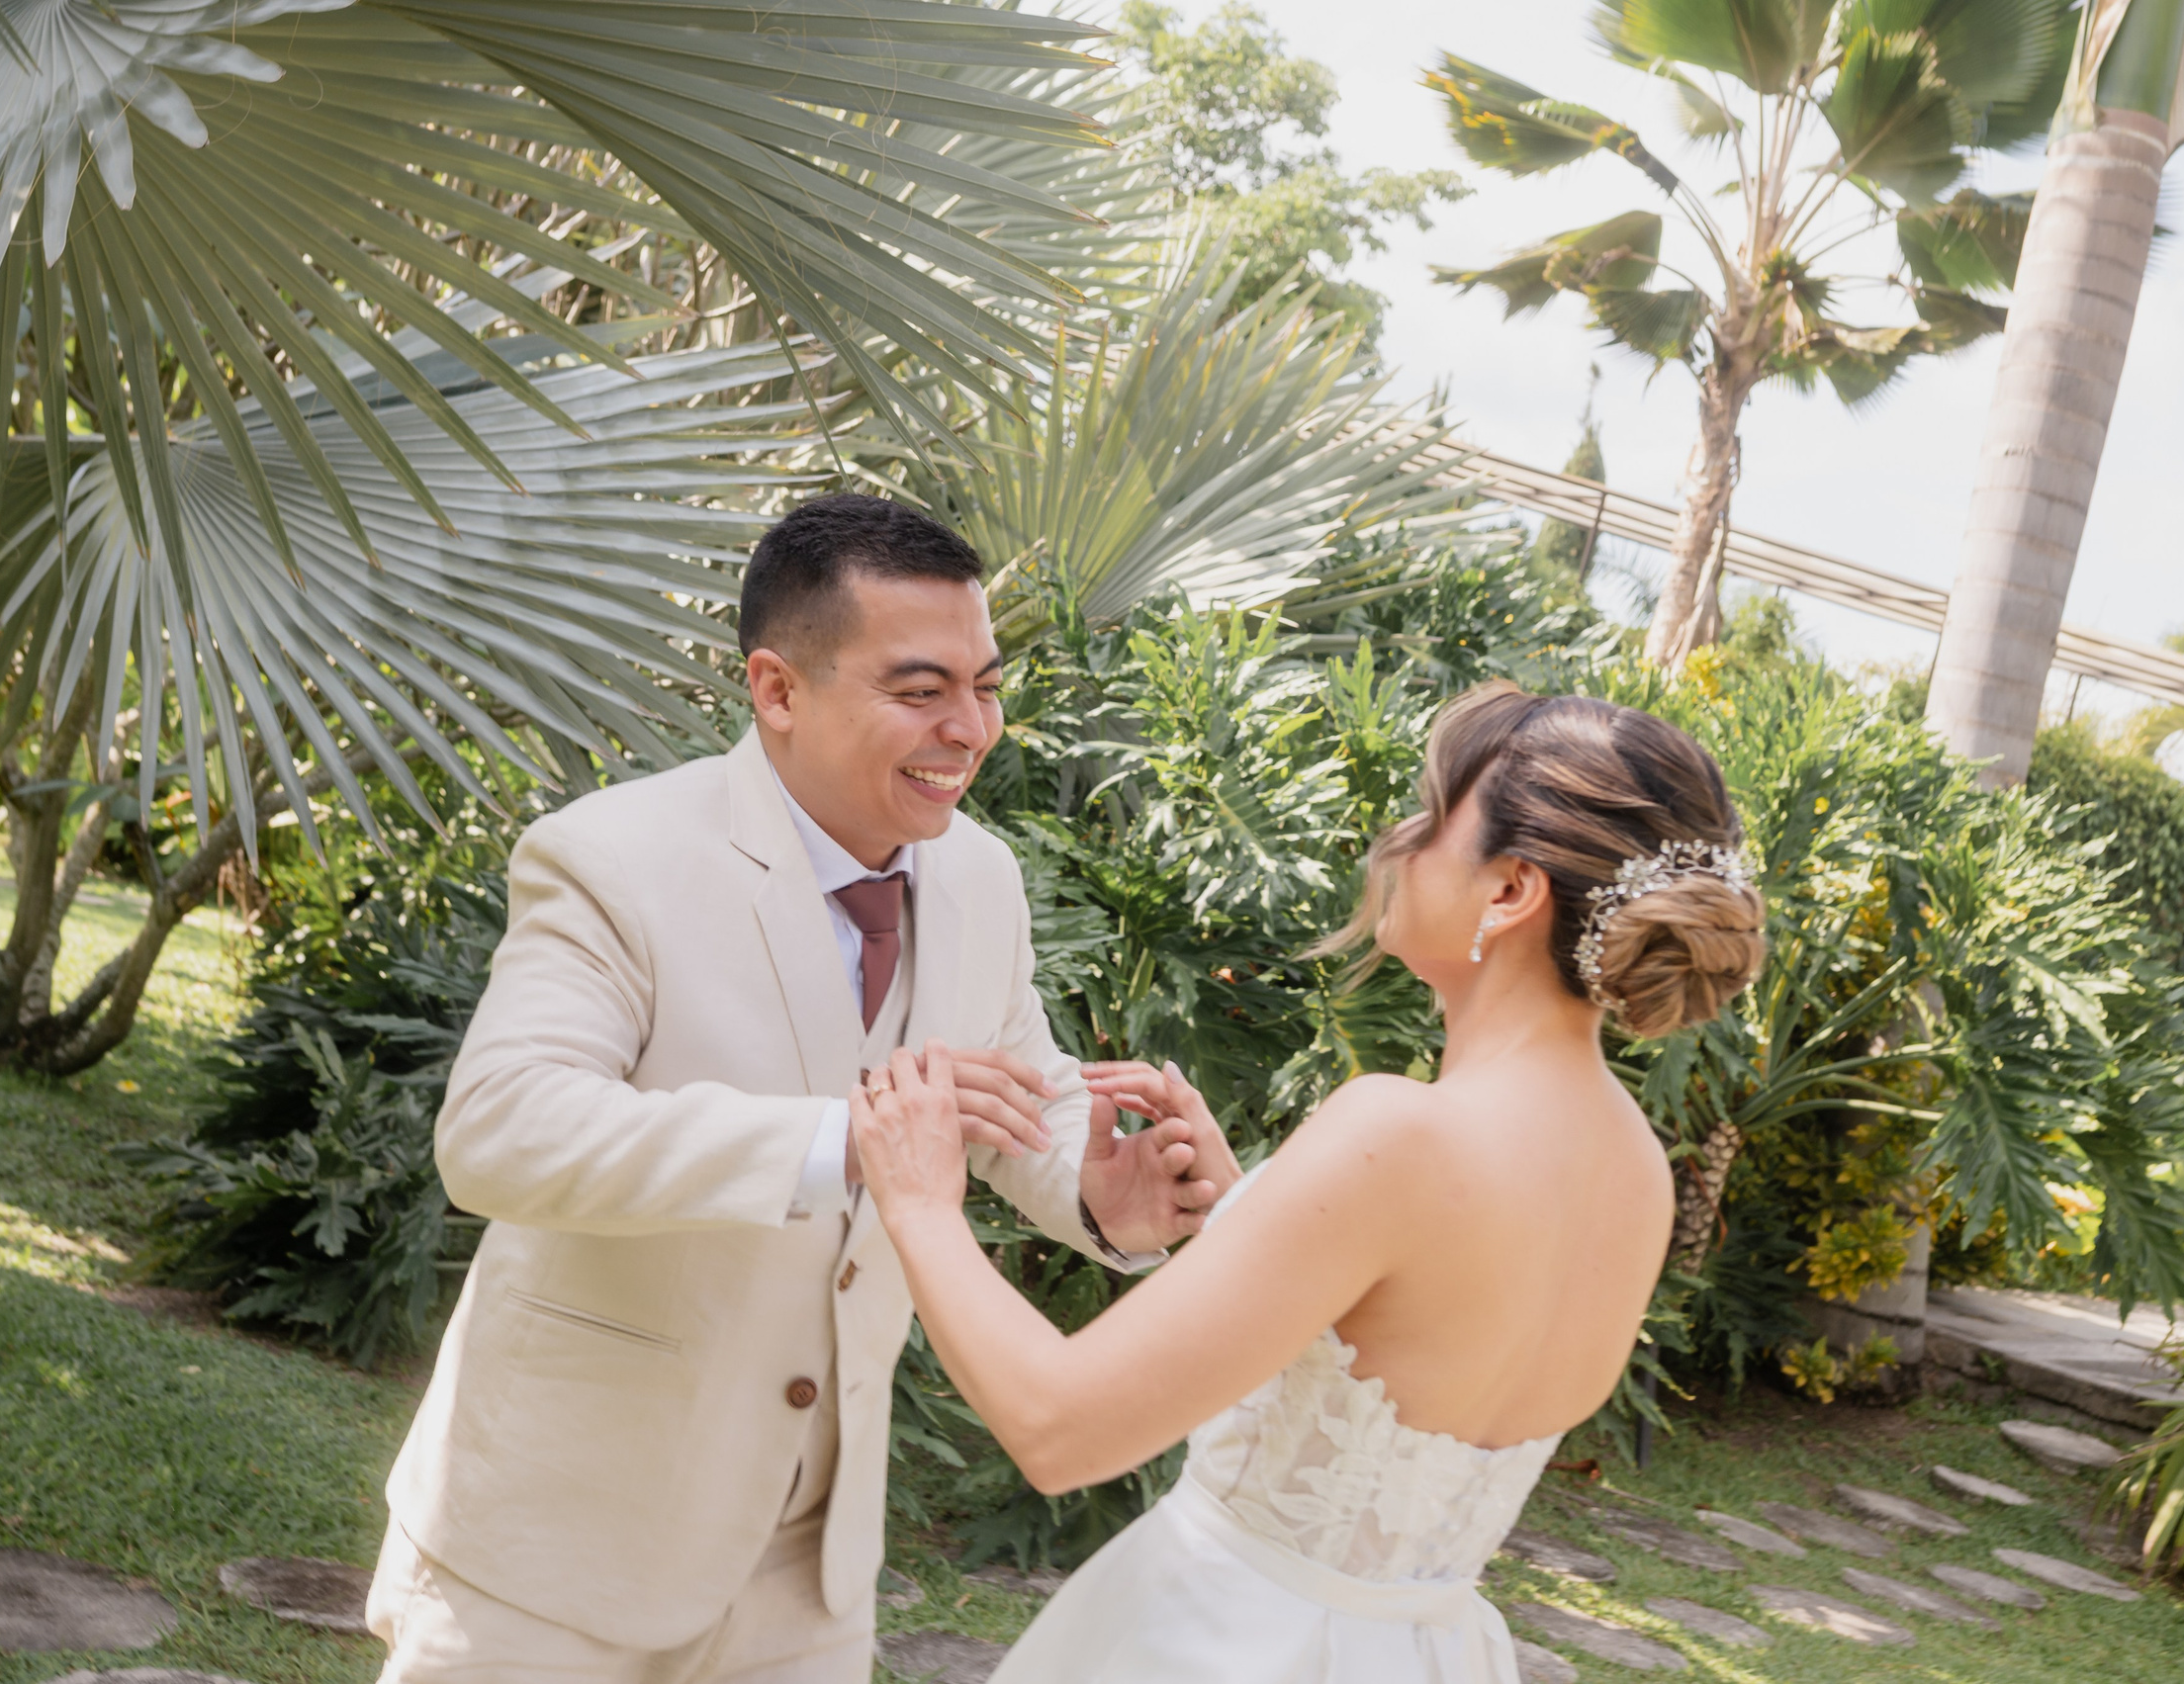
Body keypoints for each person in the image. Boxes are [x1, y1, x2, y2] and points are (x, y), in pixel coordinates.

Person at [366, 493, 1232, 1683]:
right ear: (777, 689)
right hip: (557, 1544)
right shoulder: (613, 855)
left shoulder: (980, 876)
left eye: (984, 684)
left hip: (812, 1571)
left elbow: (1011, 1094)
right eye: (920, 690)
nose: (969, 728)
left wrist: (1101, 1191)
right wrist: (846, 1142)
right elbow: (500, 1130)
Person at [849, 682, 1769, 1683]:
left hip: (1227, 1639)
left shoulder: (1398, 1134)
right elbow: (1417, 1342)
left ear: (1508, 890)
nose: (1397, 840)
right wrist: (1250, 1211)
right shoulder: (1636, 1171)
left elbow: (1059, 1426)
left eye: (1429, 815)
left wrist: (919, 1199)